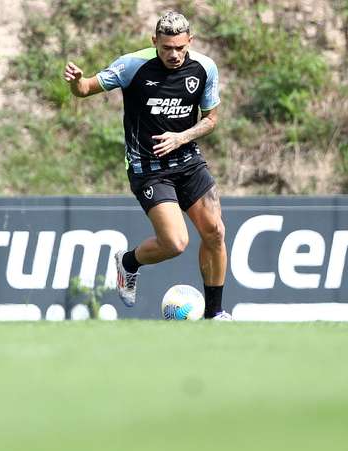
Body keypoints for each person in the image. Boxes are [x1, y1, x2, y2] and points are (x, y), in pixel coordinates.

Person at [63, 11, 231, 320]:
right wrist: (76, 83)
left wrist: (181, 137)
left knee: (215, 232)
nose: (174, 54)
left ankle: (215, 314)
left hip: (188, 160)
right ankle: (129, 262)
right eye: (167, 47)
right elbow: (86, 89)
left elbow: (211, 120)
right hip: (148, 167)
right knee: (176, 242)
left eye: (180, 47)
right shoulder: (132, 66)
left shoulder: (205, 68)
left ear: (190, 42)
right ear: (154, 41)